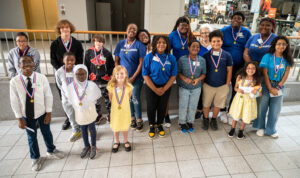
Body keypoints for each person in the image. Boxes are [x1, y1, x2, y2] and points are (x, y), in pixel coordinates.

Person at [10, 55, 64, 171]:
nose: (27, 65)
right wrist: (19, 118)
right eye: (23, 63)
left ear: (34, 64)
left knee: (47, 132)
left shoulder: (41, 78)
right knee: (31, 137)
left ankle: (51, 150)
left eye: (29, 62)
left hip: (42, 112)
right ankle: (35, 158)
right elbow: (14, 101)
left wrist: (49, 113)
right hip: (27, 115)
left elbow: (48, 95)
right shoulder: (14, 82)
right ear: (19, 66)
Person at [253, 36, 294, 138]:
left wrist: (278, 87)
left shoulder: (287, 59)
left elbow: (286, 74)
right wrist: (270, 88)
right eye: (279, 44)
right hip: (266, 84)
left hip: (279, 86)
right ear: (274, 45)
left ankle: (271, 129)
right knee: (262, 107)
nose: (281, 46)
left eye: (284, 44)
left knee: (275, 109)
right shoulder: (267, 56)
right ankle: (260, 127)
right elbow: (265, 73)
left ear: (287, 46)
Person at [50, 19, 84, 130]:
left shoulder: (77, 44)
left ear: (70, 29)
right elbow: (53, 60)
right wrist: (62, 71)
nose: (65, 30)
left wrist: (74, 70)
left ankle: (78, 117)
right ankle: (69, 118)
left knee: (76, 96)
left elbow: (80, 59)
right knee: (64, 97)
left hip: (75, 74)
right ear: (59, 30)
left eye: (67, 27)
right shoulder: (55, 44)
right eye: (62, 28)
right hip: (62, 75)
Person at [219, 11, 252, 124]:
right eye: (235, 18)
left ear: (243, 21)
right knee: (224, 88)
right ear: (231, 19)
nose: (237, 20)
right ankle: (222, 110)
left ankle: (231, 111)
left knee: (236, 88)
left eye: (239, 18)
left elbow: (249, 49)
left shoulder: (246, 32)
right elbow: (218, 46)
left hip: (239, 66)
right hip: (225, 65)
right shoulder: (224, 31)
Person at [142, 35, 177, 138]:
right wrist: (155, 89)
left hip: (165, 86)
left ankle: (160, 124)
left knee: (162, 106)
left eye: (164, 43)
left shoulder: (171, 58)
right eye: (159, 42)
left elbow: (173, 75)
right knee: (151, 107)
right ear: (154, 44)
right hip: (151, 86)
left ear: (167, 45)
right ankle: (152, 125)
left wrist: (164, 89)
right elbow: (145, 74)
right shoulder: (149, 57)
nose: (161, 44)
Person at [114, 23, 146, 132]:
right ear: (126, 31)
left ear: (136, 32)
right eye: (130, 29)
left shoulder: (139, 45)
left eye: (134, 29)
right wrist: (119, 75)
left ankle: (139, 119)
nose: (131, 30)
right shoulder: (120, 44)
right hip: (123, 78)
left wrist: (133, 77)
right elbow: (117, 60)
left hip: (136, 78)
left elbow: (141, 63)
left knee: (135, 97)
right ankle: (132, 118)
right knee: (128, 99)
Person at [67, 64, 101, 159]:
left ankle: (93, 146)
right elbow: (71, 99)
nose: (81, 76)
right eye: (78, 74)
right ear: (74, 74)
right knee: (83, 129)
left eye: (83, 74)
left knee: (92, 128)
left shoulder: (91, 85)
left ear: (87, 74)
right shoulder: (71, 87)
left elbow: (97, 96)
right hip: (80, 112)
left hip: (89, 111)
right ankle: (86, 145)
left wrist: (88, 100)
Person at [167, 16, 195, 127]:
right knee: (179, 91)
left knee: (188, 90)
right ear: (177, 26)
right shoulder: (172, 35)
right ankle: (172, 115)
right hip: (177, 68)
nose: (184, 26)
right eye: (181, 24)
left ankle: (186, 114)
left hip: (190, 67)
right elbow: (167, 51)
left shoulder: (191, 36)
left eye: (186, 24)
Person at [202, 30, 233, 130]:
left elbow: (229, 71)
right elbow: (203, 71)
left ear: (222, 41)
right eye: (214, 41)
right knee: (206, 104)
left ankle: (214, 119)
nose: (216, 43)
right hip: (208, 84)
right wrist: (203, 84)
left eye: (218, 41)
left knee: (218, 104)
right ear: (210, 42)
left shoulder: (227, 55)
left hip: (222, 85)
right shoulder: (206, 56)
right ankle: (206, 119)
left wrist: (227, 85)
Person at [177, 39, 206, 133]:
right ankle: (182, 122)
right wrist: (185, 79)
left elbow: (204, 74)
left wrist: (198, 79)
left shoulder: (202, 60)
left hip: (196, 88)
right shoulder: (182, 59)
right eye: (193, 46)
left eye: (197, 47)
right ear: (188, 48)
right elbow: (178, 72)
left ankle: (190, 122)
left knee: (193, 106)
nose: (195, 48)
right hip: (184, 87)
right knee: (183, 105)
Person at [85, 34, 115, 124]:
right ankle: (98, 115)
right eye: (97, 41)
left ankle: (111, 115)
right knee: (95, 100)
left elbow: (112, 66)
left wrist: (107, 74)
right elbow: (86, 66)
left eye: (101, 41)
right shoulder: (88, 53)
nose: (99, 43)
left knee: (108, 100)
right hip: (93, 82)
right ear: (94, 41)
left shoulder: (107, 53)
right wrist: (88, 78)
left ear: (103, 43)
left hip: (105, 81)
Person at [228, 61, 261, 139]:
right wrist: (238, 90)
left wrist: (255, 91)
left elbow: (259, 91)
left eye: (253, 68)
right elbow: (235, 88)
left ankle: (241, 130)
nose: (250, 70)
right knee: (237, 114)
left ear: (256, 70)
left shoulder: (256, 79)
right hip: (240, 99)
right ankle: (232, 129)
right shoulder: (240, 76)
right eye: (248, 68)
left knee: (246, 114)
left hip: (249, 100)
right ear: (245, 68)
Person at [55, 52, 81, 142]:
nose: (70, 62)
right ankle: (76, 130)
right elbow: (59, 85)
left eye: (72, 60)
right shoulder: (59, 72)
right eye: (67, 60)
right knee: (71, 115)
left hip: (79, 98)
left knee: (81, 114)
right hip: (66, 99)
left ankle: (84, 129)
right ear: (63, 60)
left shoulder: (79, 69)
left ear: (75, 61)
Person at [107, 66, 133, 153]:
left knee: (125, 125)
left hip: (125, 110)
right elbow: (110, 98)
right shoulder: (111, 86)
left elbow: (129, 97)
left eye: (121, 73)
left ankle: (126, 140)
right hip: (115, 111)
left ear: (125, 74)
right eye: (117, 74)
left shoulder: (129, 86)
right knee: (116, 125)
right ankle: (116, 141)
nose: (119, 75)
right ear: (114, 75)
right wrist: (118, 104)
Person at [195, 24, 212, 119]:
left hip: (211, 72)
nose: (204, 35)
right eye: (202, 33)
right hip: (200, 72)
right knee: (200, 91)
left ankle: (207, 109)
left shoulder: (213, 44)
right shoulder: (198, 45)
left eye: (206, 32)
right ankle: (199, 109)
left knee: (208, 92)